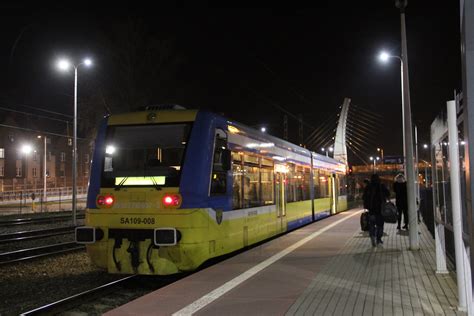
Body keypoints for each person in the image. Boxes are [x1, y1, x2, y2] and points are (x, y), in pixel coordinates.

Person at [363, 174, 390, 247]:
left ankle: (372, 235)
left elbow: (364, 197)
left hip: (371, 209)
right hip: (380, 209)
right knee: (380, 225)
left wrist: (365, 206)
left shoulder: (368, 187)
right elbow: (388, 194)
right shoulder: (381, 186)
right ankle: (378, 239)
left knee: (371, 224)